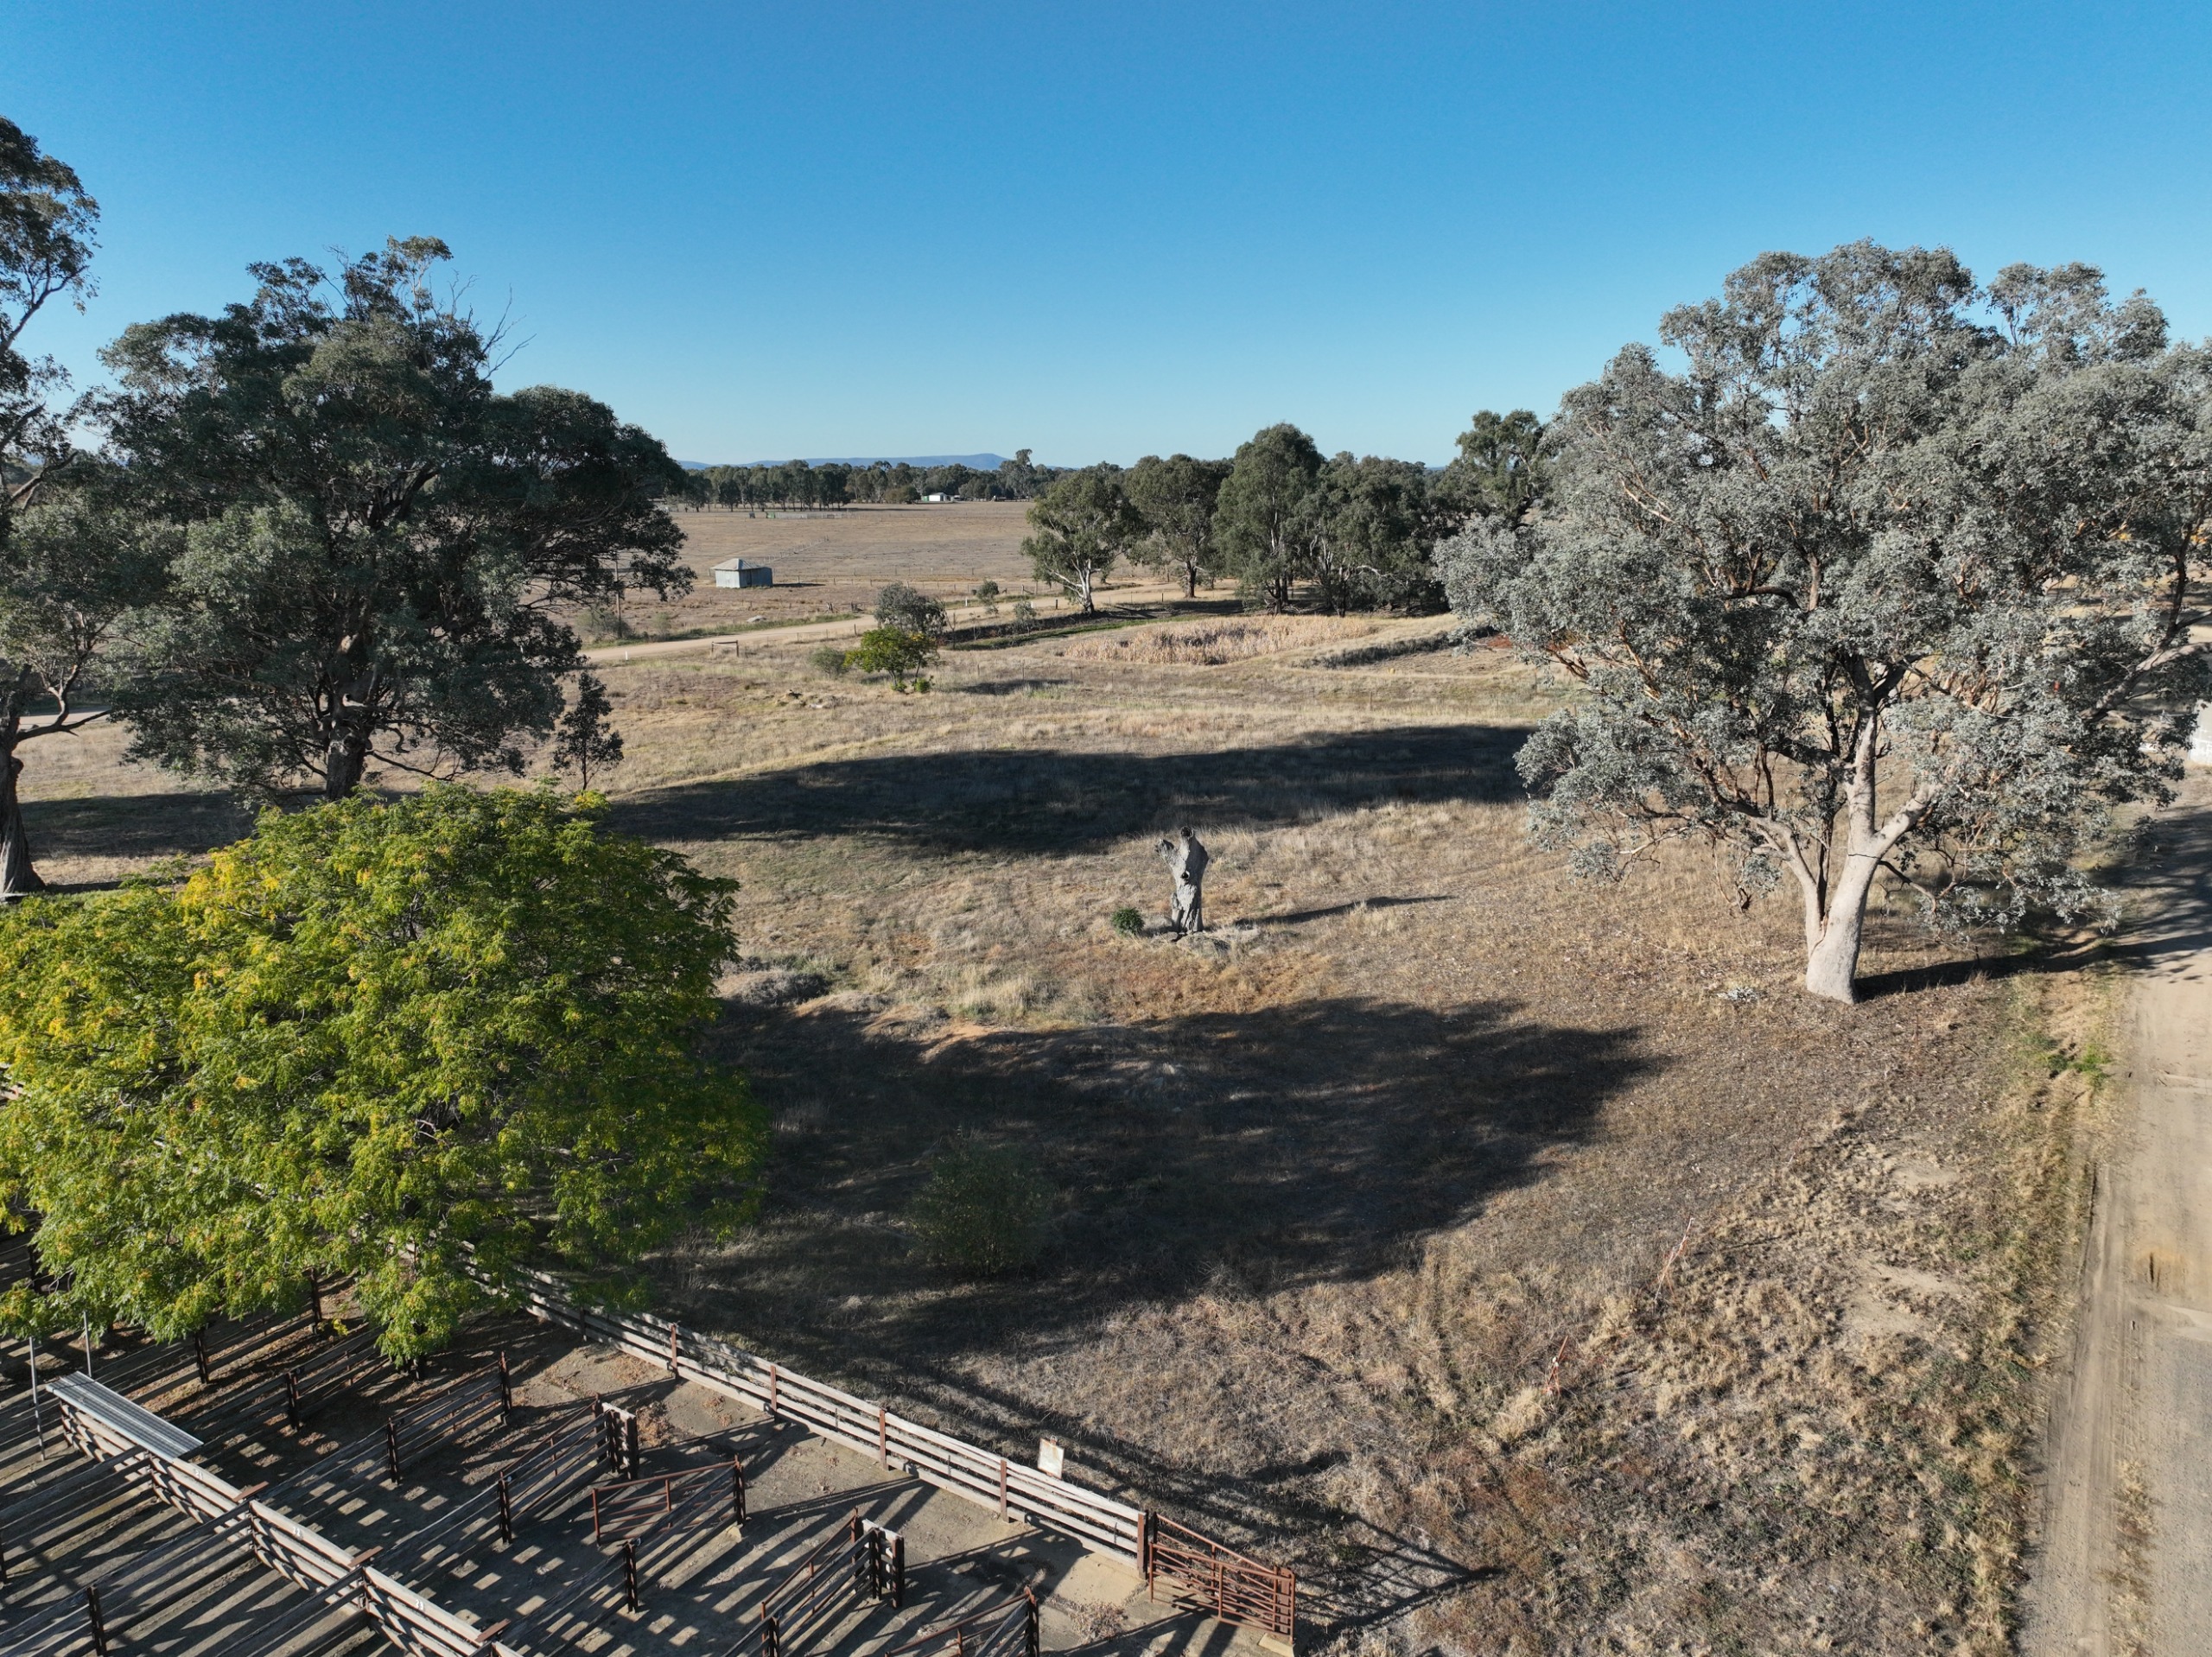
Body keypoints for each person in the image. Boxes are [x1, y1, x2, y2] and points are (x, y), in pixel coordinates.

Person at [1158, 826, 1209, 936]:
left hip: (1192, 895)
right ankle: (1181, 927)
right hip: (1184, 896)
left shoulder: (1197, 855)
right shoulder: (1176, 858)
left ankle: (1193, 928)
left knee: (1193, 893)